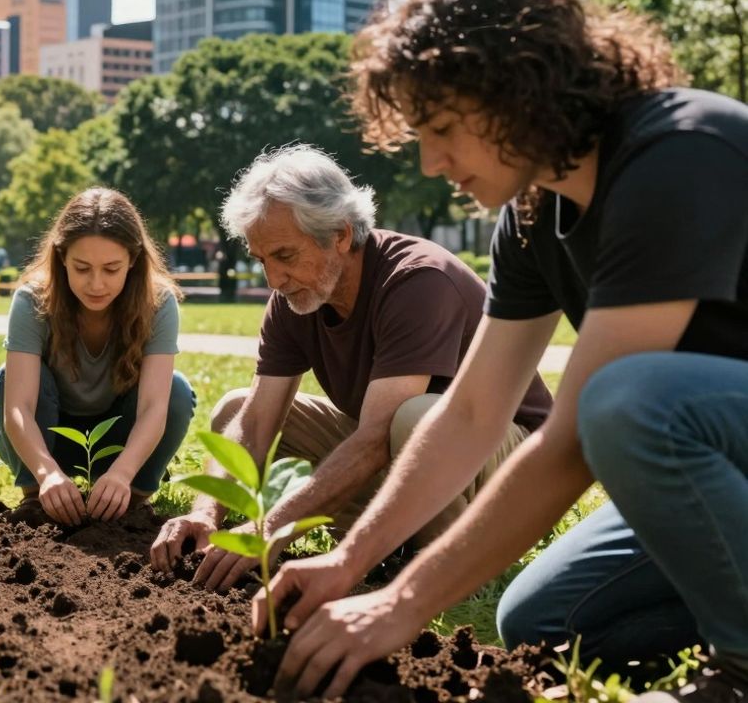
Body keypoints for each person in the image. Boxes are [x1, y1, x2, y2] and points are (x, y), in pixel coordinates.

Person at [255, 0, 748, 702]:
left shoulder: (678, 153)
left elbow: (575, 437)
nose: (430, 162)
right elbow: (473, 413)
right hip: (724, 467)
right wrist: (349, 563)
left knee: (626, 401)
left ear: (518, 89)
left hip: (709, 434)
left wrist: (402, 603)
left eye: (442, 128)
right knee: (540, 622)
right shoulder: (532, 216)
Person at [149, 145, 552, 589]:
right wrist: (206, 511)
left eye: (285, 256)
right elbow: (258, 419)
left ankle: (443, 560)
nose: (273, 280)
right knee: (235, 409)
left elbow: (377, 438)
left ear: (340, 234)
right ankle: (381, 543)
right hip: (406, 453)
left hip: (512, 465)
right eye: (262, 260)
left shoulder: (418, 281)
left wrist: (273, 528)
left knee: (414, 418)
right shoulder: (295, 297)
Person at [0, 188, 196, 525]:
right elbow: (18, 408)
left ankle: (131, 501)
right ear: (62, 258)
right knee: (8, 377)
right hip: (48, 444)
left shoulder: (158, 303)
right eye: (82, 268)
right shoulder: (32, 301)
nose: (96, 284)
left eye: (111, 269)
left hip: (120, 445)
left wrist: (123, 473)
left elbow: (154, 407)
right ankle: (35, 499)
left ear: (133, 260)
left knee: (177, 390)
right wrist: (47, 473)